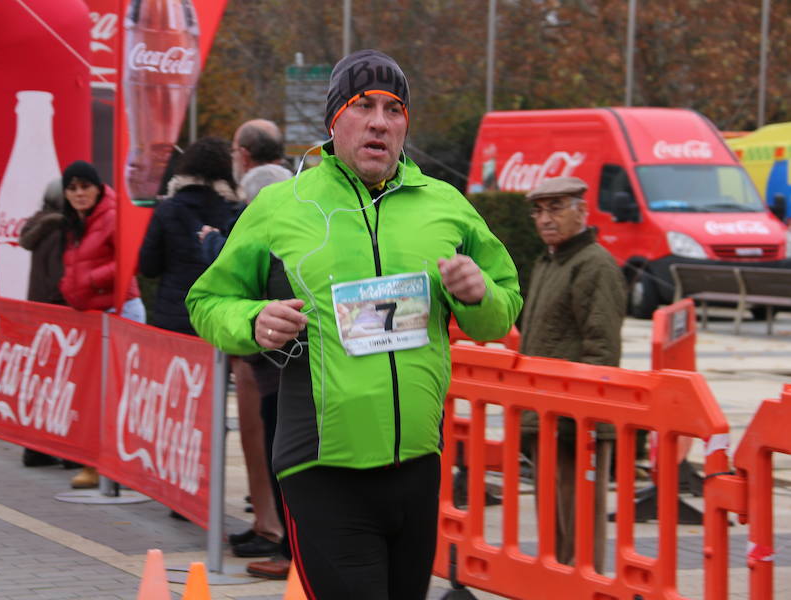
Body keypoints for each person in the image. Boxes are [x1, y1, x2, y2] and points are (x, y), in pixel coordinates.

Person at [187, 49, 522, 599]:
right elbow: (208, 301)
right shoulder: (282, 206)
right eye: (363, 106)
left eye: (394, 111)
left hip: (417, 466)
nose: (380, 122)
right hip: (322, 467)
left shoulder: (445, 206)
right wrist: (253, 319)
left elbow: (502, 307)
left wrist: (478, 294)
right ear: (333, 120)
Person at [198, 119, 294, 579]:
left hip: (284, 368)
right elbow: (215, 301)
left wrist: (214, 245)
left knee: (287, 458)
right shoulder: (282, 232)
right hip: (278, 365)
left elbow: (245, 288)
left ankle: (289, 548)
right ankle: (287, 542)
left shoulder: (276, 236)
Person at [518, 175, 626, 573]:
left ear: (583, 210)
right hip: (544, 417)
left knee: (578, 533)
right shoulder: (550, 260)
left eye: (557, 207)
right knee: (553, 533)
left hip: (575, 424)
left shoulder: (594, 264)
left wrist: (585, 419)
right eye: (539, 209)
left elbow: (602, 350)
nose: (546, 218)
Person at [59, 160, 145, 489]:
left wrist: (88, 281)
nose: (79, 193)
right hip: (97, 315)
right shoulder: (78, 221)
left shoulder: (112, 214)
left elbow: (130, 258)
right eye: (72, 188)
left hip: (119, 312)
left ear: (97, 187)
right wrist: (71, 287)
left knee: (114, 395)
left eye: (84, 186)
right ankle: (100, 465)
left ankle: (112, 468)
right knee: (98, 394)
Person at [138, 137, 238, 335]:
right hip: (216, 319)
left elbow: (148, 267)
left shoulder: (167, 209)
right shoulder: (234, 212)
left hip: (171, 318)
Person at [18, 178, 70, 468]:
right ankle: (57, 448)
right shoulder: (59, 230)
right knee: (59, 384)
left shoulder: (38, 225)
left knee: (41, 383)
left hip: (39, 313)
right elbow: (57, 278)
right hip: (57, 315)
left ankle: (35, 447)